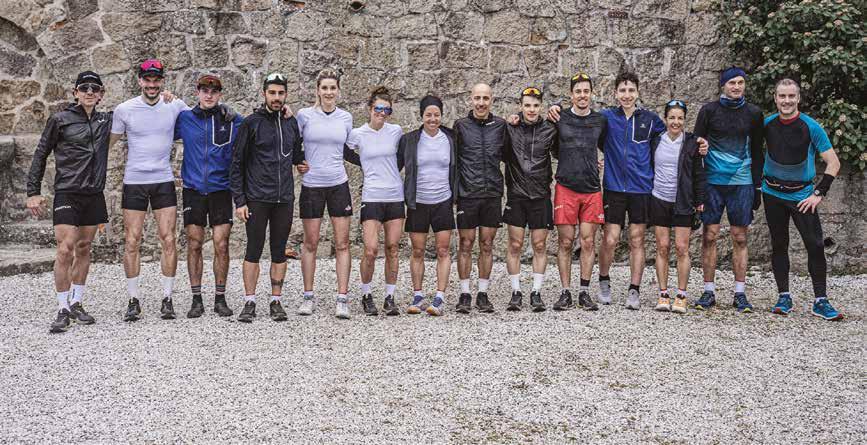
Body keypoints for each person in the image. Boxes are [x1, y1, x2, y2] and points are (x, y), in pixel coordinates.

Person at [548, 72, 708, 310]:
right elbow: (585, 132)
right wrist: (554, 108)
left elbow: (673, 134)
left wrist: (698, 141)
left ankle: (634, 289)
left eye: (631, 90)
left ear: (638, 92)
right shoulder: (605, 118)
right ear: (615, 93)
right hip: (614, 187)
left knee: (637, 239)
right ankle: (604, 281)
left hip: (641, 188)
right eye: (622, 90)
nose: (627, 95)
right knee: (610, 239)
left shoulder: (650, 120)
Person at [27, 71, 110, 333]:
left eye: (94, 88)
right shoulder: (60, 119)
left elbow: (141, 111)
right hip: (67, 192)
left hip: (94, 193)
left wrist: (166, 97)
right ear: (75, 93)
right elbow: (41, 153)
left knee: (84, 247)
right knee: (65, 249)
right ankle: (62, 308)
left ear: (101, 94)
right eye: (84, 88)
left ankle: (76, 303)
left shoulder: (106, 120)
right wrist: (33, 191)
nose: (89, 92)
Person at [109, 59, 190, 321]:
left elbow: (202, 120)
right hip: (134, 181)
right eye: (147, 79)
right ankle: (133, 300)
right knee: (132, 240)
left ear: (162, 81)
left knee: (169, 239)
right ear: (140, 81)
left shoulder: (175, 105)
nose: (152, 85)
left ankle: (167, 298)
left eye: (156, 80)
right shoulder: (124, 109)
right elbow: (106, 144)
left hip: (163, 180)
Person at [762, 78, 842, 321]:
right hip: (772, 193)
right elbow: (750, 150)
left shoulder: (811, 126)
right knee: (779, 244)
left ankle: (821, 301)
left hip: (802, 196)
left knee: (815, 245)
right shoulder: (767, 124)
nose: (786, 101)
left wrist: (818, 194)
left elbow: (833, 163)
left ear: (798, 98)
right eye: (782, 96)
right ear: (775, 98)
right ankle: (784, 296)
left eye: (791, 96)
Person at [229, 72, 307, 323]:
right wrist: (240, 201)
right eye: (272, 92)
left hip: (284, 198)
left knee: (279, 251)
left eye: (280, 93)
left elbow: (295, 154)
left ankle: (276, 301)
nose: (276, 97)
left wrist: (301, 163)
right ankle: (249, 301)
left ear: (286, 95)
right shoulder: (251, 123)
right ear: (264, 94)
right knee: (253, 249)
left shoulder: (291, 122)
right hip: (257, 197)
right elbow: (237, 163)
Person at [693, 67, 765, 313]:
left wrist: (757, 186)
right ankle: (708, 291)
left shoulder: (754, 113)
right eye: (731, 82)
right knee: (709, 235)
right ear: (722, 85)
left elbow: (757, 151)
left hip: (741, 182)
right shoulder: (708, 111)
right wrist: (698, 186)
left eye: (740, 82)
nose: (736, 87)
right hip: (713, 182)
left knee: (740, 236)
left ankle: (740, 293)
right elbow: (696, 147)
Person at [174, 74, 242, 318]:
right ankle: (196, 299)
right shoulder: (184, 118)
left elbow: (257, 125)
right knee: (194, 243)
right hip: (193, 189)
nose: (209, 95)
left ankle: (220, 298)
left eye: (214, 91)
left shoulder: (231, 120)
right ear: (198, 92)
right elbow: (157, 124)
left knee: (221, 244)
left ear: (220, 94)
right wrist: (167, 98)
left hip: (220, 189)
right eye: (205, 90)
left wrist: (285, 112)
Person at [295, 69, 355, 319]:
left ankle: (342, 299)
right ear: (317, 90)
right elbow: (293, 143)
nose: (329, 92)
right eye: (324, 88)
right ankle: (308, 296)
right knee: (311, 243)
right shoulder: (304, 115)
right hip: (312, 185)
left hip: (338, 184)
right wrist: (299, 162)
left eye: (333, 88)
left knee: (342, 243)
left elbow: (350, 150)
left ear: (338, 91)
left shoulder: (346, 117)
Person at [343, 87, 405, 316]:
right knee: (370, 249)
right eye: (378, 108)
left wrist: (391, 170)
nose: (382, 113)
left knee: (392, 248)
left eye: (386, 110)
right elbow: (345, 151)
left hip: (395, 196)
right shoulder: (358, 134)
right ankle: (366, 294)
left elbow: (402, 156)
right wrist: (364, 164)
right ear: (370, 108)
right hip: (372, 196)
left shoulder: (396, 131)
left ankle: (389, 296)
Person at [550, 72, 605, 312]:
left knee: (588, 241)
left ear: (591, 94)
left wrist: (598, 161)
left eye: (586, 91)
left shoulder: (600, 120)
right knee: (565, 241)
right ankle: (565, 292)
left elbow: (610, 146)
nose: (582, 95)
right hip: (566, 187)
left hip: (591, 189)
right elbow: (551, 146)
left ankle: (584, 291)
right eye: (578, 91)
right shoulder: (559, 117)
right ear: (571, 95)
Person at [453, 83, 508, 314]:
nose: (481, 103)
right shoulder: (460, 126)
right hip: (468, 194)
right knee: (465, 243)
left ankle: (483, 294)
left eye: (485, 98)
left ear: (492, 100)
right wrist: (454, 193)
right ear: (471, 99)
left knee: (487, 244)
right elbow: (453, 160)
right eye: (477, 98)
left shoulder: (501, 126)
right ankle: (465, 293)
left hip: (492, 193)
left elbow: (511, 155)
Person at [401, 95, 457, 317]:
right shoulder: (410, 140)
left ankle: (439, 297)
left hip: (443, 201)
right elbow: (394, 164)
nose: (433, 119)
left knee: (443, 250)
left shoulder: (451, 138)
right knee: (417, 251)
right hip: (418, 203)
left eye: (436, 115)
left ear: (442, 116)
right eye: (428, 115)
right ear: (421, 116)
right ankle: (418, 295)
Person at [649, 100, 706, 314]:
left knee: (682, 248)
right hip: (659, 199)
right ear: (665, 119)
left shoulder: (692, 142)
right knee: (662, 247)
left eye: (680, 118)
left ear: (685, 120)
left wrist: (700, 201)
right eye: (672, 117)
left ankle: (681, 295)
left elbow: (699, 173)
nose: (676, 122)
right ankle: (663, 294)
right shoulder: (656, 141)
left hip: (683, 200)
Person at [502, 87, 556, 312]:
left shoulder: (550, 129)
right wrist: (509, 120)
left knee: (539, 245)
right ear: (521, 107)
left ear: (541, 107)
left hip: (540, 196)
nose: (531, 109)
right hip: (517, 194)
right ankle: (516, 292)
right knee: (515, 245)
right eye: (527, 105)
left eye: (535, 105)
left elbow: (568, 148)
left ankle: (536, 292)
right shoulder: (510, 128)